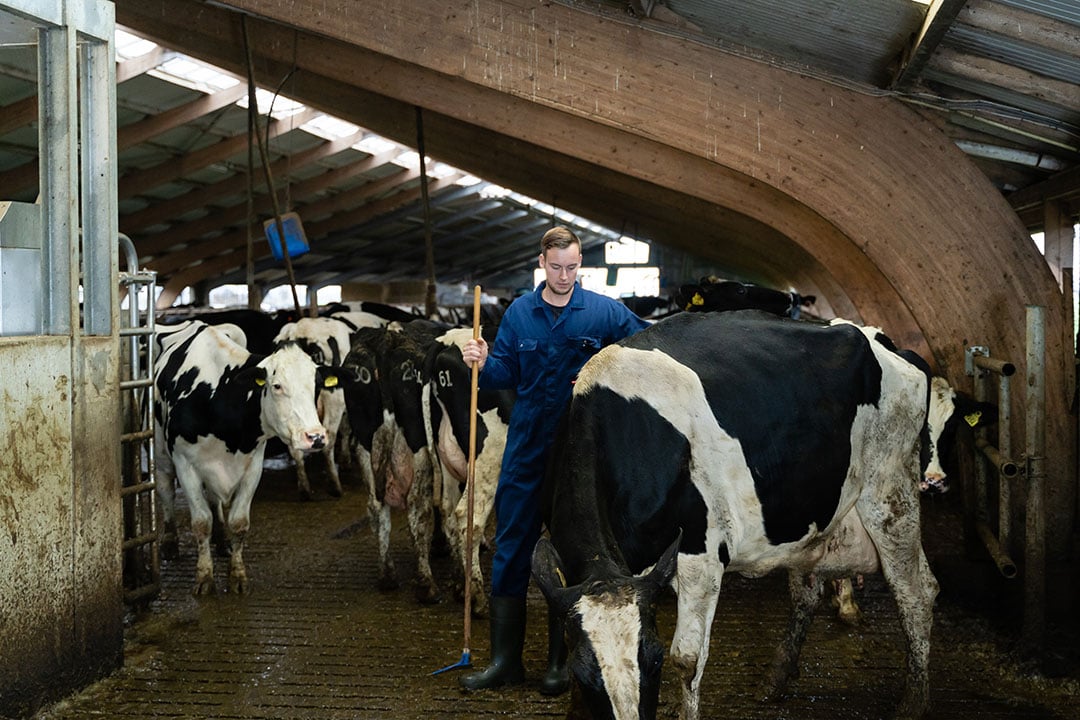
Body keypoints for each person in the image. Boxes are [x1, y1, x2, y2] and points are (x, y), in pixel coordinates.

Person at [458, 225, 650, 694]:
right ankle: (505, 661)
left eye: (572, 266)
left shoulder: (604, 312)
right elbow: (505, 372)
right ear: (541, 263)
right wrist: (481, 359)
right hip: (526, 446)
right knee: (510, 547)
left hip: (579, 452)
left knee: (570, 549)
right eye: (556, 266)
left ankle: (560, 663)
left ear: (579, 264)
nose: (564, 275)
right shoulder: (521, 313)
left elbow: (648, 346)